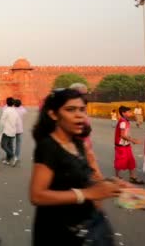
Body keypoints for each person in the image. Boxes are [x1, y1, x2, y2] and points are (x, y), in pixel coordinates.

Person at [30, 89, 124, 246]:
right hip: (58, 232)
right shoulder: (48, 147)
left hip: (84, 227)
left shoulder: (77, 143)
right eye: (70, 109)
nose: (80, 115)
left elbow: (82, 179)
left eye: (82, 109)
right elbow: (37, 195)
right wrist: (87, 194)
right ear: (53, 114)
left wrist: (111, 185)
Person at [114, 106, 145, 184]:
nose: (131, 113)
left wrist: (131, 140)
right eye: (129, 112)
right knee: (120, 161)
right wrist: (133, 140)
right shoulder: (123, 122)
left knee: (131, 161)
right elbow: (122, 135)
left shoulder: (125, 121)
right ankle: (117, 177)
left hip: (126, 145)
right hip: (121, 145)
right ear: (123, 113)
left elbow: (126, 134)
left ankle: (133, 177)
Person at [0, 97, 18, 166]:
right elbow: (17, 121)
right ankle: (8, 160)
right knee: (10, 146)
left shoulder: (6, 110)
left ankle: (13, 156)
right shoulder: (15, 111)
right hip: (13, 131)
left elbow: (2, 121)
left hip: (6, 131)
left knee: (3, 145)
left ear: (7, 103)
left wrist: (0, 130)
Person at [13, 99, 27, 166]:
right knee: (18, 143)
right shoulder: (22, 110)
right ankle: (16, 156)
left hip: (12, 128)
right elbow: (24, 110)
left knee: (10, 142)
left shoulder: (12, 110)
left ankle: (10, 155)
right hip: (19, 129)